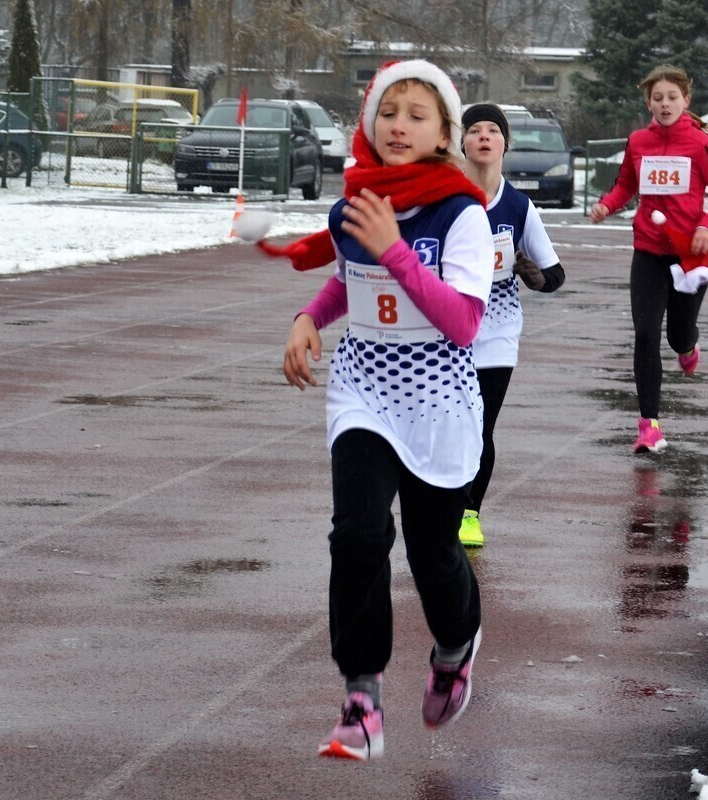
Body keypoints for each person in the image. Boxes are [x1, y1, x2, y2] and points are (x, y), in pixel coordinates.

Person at [274, 60, 493, 762]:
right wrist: (309, 317)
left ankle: (457, 645)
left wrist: (396, 250)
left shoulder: (463, 214)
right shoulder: (355, 204)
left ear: (442, 134)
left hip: (438, 402)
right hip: (364, 390)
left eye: (417, 113)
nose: (399, 123)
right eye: (388, 110)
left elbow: (461, 323)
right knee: (359, 535)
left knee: (434, 554)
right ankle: (360, 696)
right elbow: (349, 280)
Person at [589, 64, 708, 454]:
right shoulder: (638, 141)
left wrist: (707, 226)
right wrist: (606, 205)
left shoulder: (702, 145)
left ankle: (689, 348)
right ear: (648, 102)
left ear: (686, 100)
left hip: (691, 252)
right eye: (658, 98)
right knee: (645, 334)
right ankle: (648, 425)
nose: (665, 104)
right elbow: (625, 185)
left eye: (672, 97)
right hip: (649, 251)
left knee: (677, 336)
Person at [456, 102, 565, 547]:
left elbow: (555, 274)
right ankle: (441, 499)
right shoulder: (442, 199)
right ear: (462, 142)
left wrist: (534, 276)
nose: (484, 136)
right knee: (450, 424)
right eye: (475, 129)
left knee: (480, 426)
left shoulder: (519, 207)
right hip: (444, 333)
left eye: (493, 131)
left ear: (505, 143)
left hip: (497, 331)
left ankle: (468, 514)